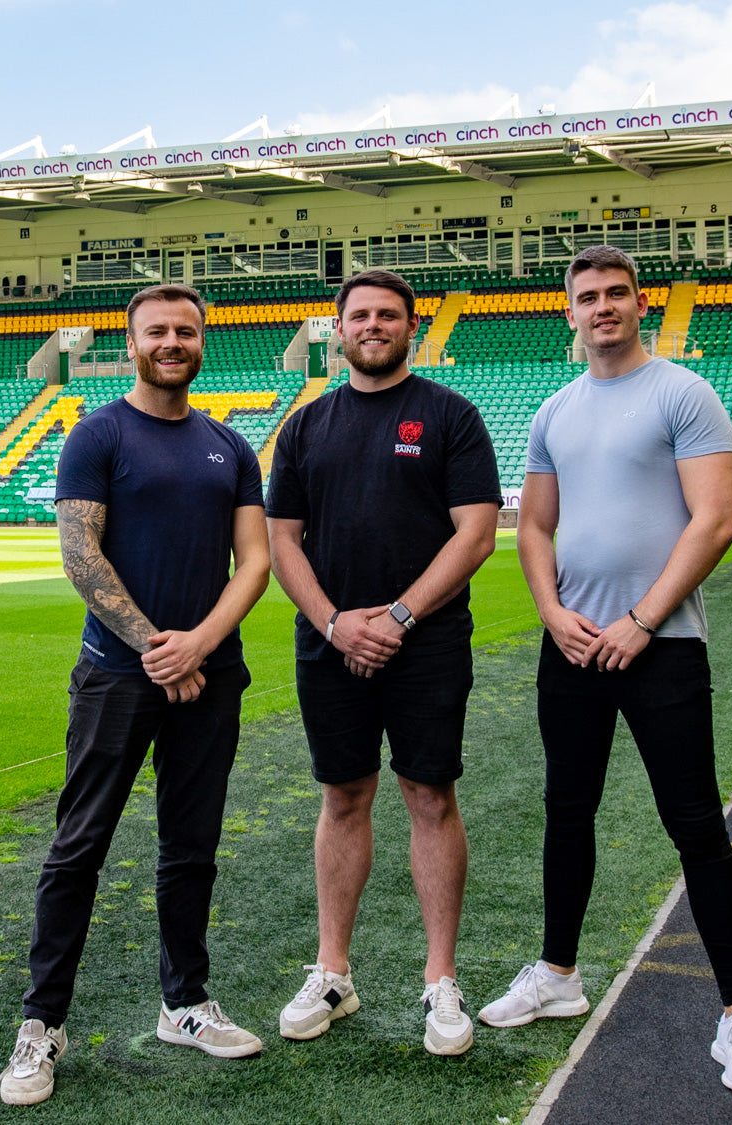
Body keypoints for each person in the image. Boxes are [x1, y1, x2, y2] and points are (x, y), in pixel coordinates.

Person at [477, 245, 732, 1093]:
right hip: (571, 645)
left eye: (616, 294)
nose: (601, 306)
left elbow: (715, 520)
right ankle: (557, 974)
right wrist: (551, 613)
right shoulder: (553, 411)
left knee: (694, 823)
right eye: (586, 296)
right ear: (567, 312)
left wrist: (640, 620)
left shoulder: (681, 390)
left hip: (659, 646)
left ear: (640, 305)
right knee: (567, 811)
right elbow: (532, 527)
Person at [0, 283, 270, 1105]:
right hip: (119, 675)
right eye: (157, 330)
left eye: (186, 329)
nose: (172, 341)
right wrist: (160, 646)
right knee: (78, 847)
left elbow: (253, 561)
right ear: (132, 341)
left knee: (192, 848)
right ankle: (41, 1024)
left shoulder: (230, 444)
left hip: (209, 674)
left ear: (201, 340)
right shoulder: (98, 432)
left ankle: (183, 1003)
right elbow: (80, 554)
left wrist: (198, 645)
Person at [265, 269, 502, 1056]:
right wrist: (335, 623)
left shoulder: (449, 415)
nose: (372, 325)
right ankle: (332, 971)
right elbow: (280, 542)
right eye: (359, 315)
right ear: (336, 329)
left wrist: (396, 616)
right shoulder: (303, 427)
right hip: (329, 641)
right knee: (343, 796)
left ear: (411, 326)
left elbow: (474, 533)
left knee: (429, 795)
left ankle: (440, 979)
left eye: (388, 315)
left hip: (425, 641)